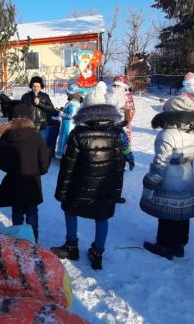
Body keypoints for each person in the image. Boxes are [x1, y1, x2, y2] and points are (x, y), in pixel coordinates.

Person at [50, 92, 132, 270]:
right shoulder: (115, 134)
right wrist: (116, 192)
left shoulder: (77, 134)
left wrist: (61, 192)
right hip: (104, 188)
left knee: (70, 211)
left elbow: (68, 167)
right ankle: (98, 252)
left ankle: (71, 246)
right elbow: (119, 167)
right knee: (102, 217)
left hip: (79, 188)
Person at [140, 95, 194, 260]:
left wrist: (152, 179)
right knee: (182, 212)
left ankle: (164, 245)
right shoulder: (193, 131)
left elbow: (161, 161)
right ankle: (179, 245)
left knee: (167, 213)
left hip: (169, 176)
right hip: (186, 173)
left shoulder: (167, 135)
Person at [0, 104, 50, 242]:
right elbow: (44, 159)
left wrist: (10, 169)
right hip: (32, 181)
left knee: (17, 212)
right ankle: (34, 242)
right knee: (32, 214)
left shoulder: (5, 137)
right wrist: (40, 170)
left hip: (14, 181)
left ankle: (18, 242)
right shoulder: (35, 136)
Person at [20, 76, 58, 146]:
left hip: (42, 126)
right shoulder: (25, 97)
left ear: (41, 87)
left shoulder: (45, 96)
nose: (36, 88)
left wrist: (39, 104)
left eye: (38, 86)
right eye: (34, 86)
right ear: (31, 86)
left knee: (42, 145)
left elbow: (51, 109)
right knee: (29, 146)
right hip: (29, 127)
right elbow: (20, 110)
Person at [106, 75, 136, 143]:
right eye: (114, 85)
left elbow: (132, 111)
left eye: (118, 86)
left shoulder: (127, 96)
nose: (116, 87)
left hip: (123, 127)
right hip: (110, 126)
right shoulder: (109, 95)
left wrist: (125, 111)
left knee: (123, 147)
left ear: (123, 86)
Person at [55, 85, 82, 159]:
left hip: (68, 125)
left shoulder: (73, 103)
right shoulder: (74, 102)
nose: (67, 94)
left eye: (68, 93)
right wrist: (63, 109)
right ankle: (64, 155)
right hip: (68, 124)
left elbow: (71, 115)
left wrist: (61, 113)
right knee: (65, 139)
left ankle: (64, 156)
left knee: (65, 140)